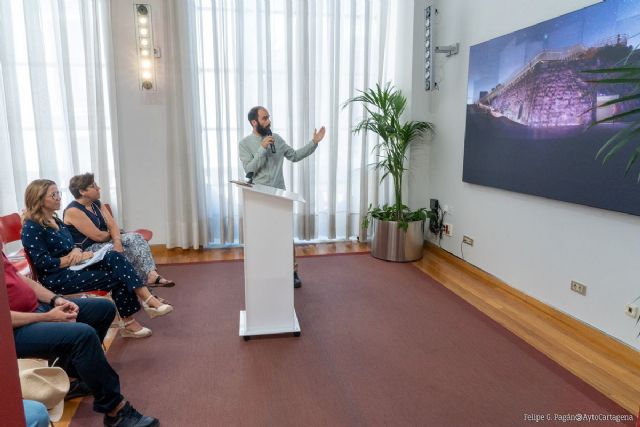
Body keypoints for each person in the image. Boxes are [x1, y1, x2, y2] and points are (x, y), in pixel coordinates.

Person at [4, 252, 159, 426]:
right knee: (82, 336)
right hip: (11, 332)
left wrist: (56, 300)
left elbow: (18, 278)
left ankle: (71, 379)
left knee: (103, 309)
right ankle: (116, 412)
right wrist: (48, 317)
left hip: (37, 309)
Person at [21, 179, 173, 339]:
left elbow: (72, 244)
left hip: (75, 267)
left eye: (58, 192)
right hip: (58, 278)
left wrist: (77, 250)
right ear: (38, 200)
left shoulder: (55, 219)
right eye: (53, 194)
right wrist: (72, 258)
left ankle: (144, 305)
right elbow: (43, 264)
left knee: (114, 256)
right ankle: (140, 310)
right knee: (118, 275)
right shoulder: (31, 227)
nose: (59, 197)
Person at [239, 106, 325, 288]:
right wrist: (262, 149)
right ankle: (264, 270)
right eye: (264, 118)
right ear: (254, 122)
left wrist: (314, 142)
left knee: (285, 236)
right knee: (262, 236)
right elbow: (249, 169)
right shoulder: (245, 144)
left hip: (280, 195)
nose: (268, 121)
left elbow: (294, 156)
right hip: (259, 197)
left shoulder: (276, 139)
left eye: (268, 117)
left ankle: (292, 271)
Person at [63, 173, 175, 288]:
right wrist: (114, 236)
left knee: (136, 237)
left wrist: (117, 241)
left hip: (105, 242)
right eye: (93, 186)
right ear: (82, 191)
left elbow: (112, 225)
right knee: (127, 251)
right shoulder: (73, 211)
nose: (98, 188)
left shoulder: (96, 203)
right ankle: (146, 293)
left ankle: (152, 274)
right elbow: (99, 237)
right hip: (89, 250)